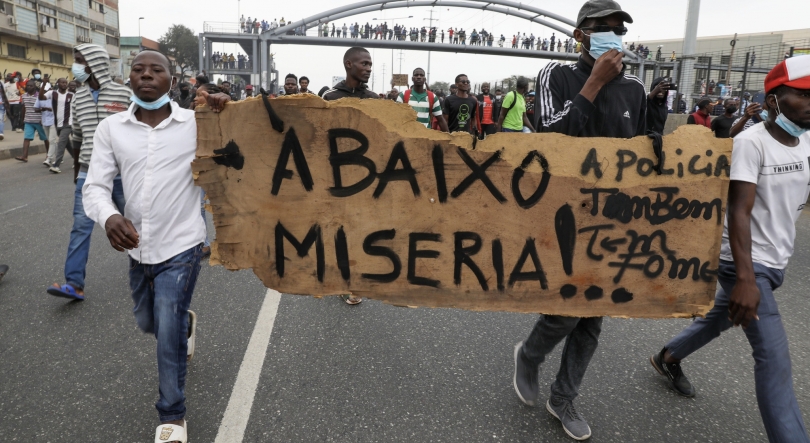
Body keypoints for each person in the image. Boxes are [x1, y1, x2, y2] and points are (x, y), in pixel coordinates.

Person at [650, 55, 810, 443]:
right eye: (802, 95)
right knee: (773, 359)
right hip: (742, 260)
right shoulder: (750, 143)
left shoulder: (806, 140)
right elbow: (738, 210)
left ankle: (668, 357)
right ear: (773, 100)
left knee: (721, 316)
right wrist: (745, 278)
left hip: (776, 259)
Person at [83, 49, 230, 443]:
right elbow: (95, 186)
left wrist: (224, 107)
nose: (146, 75)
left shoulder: (194, 124)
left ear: (171, 78)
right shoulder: (111, 129)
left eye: (156, 70)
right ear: (129, 77)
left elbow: (238, 144)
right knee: (150, 323)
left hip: (182, 243)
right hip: (138, 248)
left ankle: (173, 416)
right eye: (138, 69)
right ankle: (185, 324)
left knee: (166, 326)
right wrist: (110, 217)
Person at [518, 1, 644, 440]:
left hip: (612, 222)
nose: (612, 35)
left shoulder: (635, 90)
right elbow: (551, 138)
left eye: (617, 29)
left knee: (593, 318)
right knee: (566, 313)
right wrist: (593, 83)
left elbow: (640, 154)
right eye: (601, 28)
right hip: (562, 216)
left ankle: (563, 397)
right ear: (580, 35)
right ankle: (531, 354)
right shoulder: (556, 75)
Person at [46, 43, 131, 301]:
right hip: (88, 173)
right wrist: (76, 170)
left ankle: (155, 274)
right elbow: (77, 137)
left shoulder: (124, 94)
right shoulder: (78, 97)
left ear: (94, 63)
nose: (76, 66)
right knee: (81, 226)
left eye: (80, 61)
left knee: (136, 224)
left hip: (121, 174)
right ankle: (74, 283)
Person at [322, 47, 378, 305]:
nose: (368, 68)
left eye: (369, 64)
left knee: (359, 230)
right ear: (349, 65)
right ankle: (340, 280)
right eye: (364, 63)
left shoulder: (375, 99)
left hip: (367, 178)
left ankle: (351, 278)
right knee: (337, 229)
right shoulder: (330, 98)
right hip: (335, 177)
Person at [396, 67, 449, 132]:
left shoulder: (432, 97)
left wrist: (449, 138)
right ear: (412, 78)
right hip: (407, 137)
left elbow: (440, 120)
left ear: (424, 79)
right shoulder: (403, 95)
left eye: (421, 75)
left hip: (425, 138)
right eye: (416, 75)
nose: (419, 77)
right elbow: (396, 118)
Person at [42, 78, 75, 173]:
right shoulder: (52, 93)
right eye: (62, 82)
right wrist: (43, 85)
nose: (64, 84)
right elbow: (41, 98)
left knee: (61, 143)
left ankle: (56, 165)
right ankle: (77, 160)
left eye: (66, 83)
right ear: (57, 83)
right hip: (57, 124)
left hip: (68, 123)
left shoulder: (72, 95)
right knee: (67, 144)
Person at [15, 81, 49, 162]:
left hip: (39, 121)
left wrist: (43, 119)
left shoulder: (40, 96)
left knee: (45, 139)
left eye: (31, 86)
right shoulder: (23, 96)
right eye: (28, 85)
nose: (29, 87)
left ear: (34, 87)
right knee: (26, 138)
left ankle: (49, 155)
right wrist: (23, 119)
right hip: (28, 121)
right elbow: (24, 108)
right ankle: (24, 156)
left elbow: (45, 108)